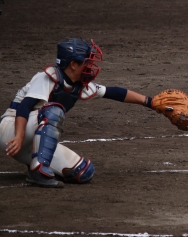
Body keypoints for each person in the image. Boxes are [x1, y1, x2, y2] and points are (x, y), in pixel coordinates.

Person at [1, 38, 170, 188]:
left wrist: (150, 102)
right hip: (11, 129)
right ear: (73, 64)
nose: (90, 66)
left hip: (30, 139)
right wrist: (19, 136)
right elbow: (24, 107)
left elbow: (113, 92)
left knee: (82, 172)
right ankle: (38, 171)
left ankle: (35, 162)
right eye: (87, 62)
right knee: (54, 111)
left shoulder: (79, 85)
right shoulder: (46, 78)